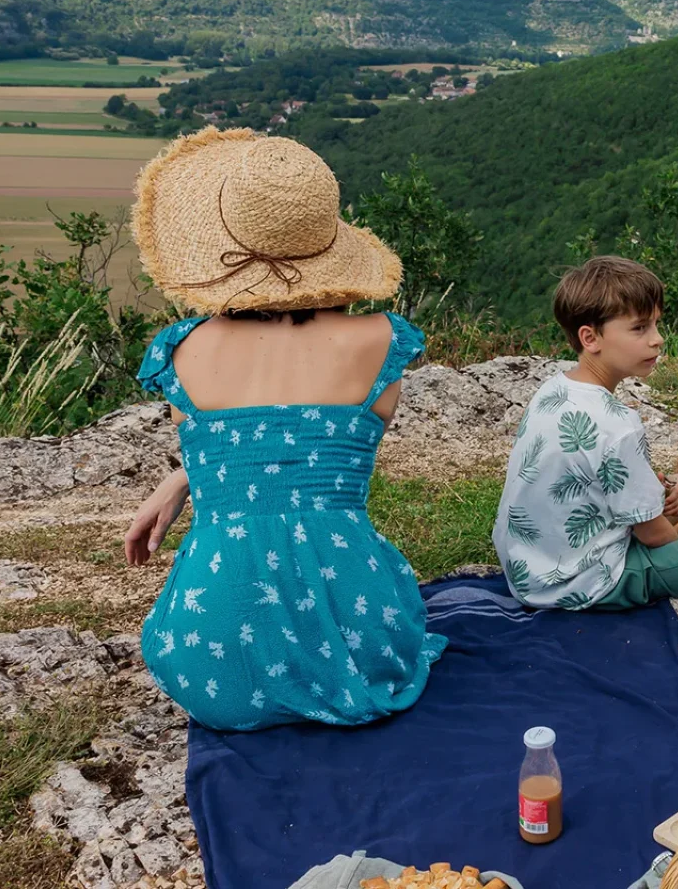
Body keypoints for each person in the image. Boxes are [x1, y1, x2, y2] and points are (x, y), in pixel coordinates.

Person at [120, 127, 442, 730]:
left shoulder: (181, 353)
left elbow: (243, 448)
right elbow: (299, 445)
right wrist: (180, 481)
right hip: (358, 646)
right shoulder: (381, 342)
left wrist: (182, 480)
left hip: (213, 666)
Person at [493, 256, 678, 610]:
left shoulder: (552, 389)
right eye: (639, 328)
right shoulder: (619, 424)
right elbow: (653, 535)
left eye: (657, 324)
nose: (657, 340)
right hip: (586, 581)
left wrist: (656, 496)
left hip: (527, 567)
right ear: (590, 337)